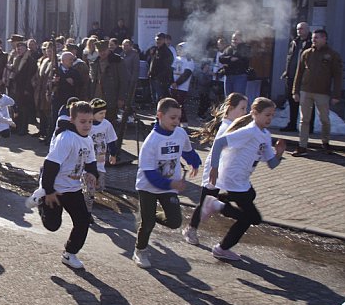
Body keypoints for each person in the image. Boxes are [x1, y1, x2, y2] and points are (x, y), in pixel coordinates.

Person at [202, 97, 286, 260]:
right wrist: (214, 168)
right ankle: (222, 247)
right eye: (267, 115)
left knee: (251, 196)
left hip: (242, 181)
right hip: (232, 179)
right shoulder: (248, 131)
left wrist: (279, 153)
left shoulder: (265, 135)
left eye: (272, 115)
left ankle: (217, 202)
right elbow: (219, 144)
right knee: (251, 218)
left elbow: (272, 164)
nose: (269, 119)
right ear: (255, 113)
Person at [25, 101, 99, 269]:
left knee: (83, 220)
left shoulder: (87, 139)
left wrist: (92, 173)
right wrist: (49, 191)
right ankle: (42, 198)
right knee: (52, 226)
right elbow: (50, 165)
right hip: (55, 188)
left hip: (73, 188)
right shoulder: (66, 138)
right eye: (83, 121)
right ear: (72, 120)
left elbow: (90, 161)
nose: (87, 125)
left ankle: (69, 253)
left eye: (90, 121)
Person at [133, 97, 201, 269]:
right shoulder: (151, 142)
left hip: (169, 186)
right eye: (172, 118)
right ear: (159, 115)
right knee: (147, 224)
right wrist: (171, 185)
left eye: (179, 118)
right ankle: (140, 251)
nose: (176, 121)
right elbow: (150, 174)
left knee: (175, 222)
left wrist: (195, 162)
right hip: (148, 187)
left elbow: (187, 150)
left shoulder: (180, 133)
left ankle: (148, 215)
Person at [182, 93, 248, 246]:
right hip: (214, 170)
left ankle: (218, 208)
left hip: (223, 171)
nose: (245, 112)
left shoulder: (233, 125)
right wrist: (214, 169)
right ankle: (191, 229)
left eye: (246, 108)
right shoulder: (226, 127)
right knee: (206, 200)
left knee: (213, 198)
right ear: (231, 108)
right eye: (242, 108)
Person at [292, 29, 342, 157]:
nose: (314, 40)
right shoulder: (306, 53)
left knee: (324, 119)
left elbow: (337, 76)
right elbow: (299, 72)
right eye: (313, 38)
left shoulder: (332, 55)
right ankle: (302, 146)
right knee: (304, 120)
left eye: (317, 38)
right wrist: (295, 91)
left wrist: (336, 94)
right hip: (305, 91)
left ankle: (325, 143)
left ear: (324, 39)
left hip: (322, 93)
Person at [86, 99, 118, 213]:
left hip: (100, 160)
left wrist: (113, 154)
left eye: (104, 113)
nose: (103, 116)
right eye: (100, 113)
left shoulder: (106, 124)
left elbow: (111, 140)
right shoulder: (87, 124)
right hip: (88, 162)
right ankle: (87, 209)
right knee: (90, 185)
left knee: (100, 186)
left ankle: (88, 195)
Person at [281, 22, 314, 132]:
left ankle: (308, 127)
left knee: (307, 103)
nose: (299, 31)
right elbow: (290, 58)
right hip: (291, 76)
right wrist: (287, 71)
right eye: (298, 29)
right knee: (292, 101)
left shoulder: (311, 42)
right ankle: (292, 124)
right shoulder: (294, 42)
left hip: (304, 77)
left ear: (307, 30)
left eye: (301, 29)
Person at [90, 40, 129, 128]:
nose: (102, 53)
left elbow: (124, 81)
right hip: (97, 96)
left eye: (104, 50)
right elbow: (92, 81)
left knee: (110, 123)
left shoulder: (117, 61)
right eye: (100, 51)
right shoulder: (95, 62)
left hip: (112, 97)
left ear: (108, 49)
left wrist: (121, 98)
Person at [8, 40, 37, 135]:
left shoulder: (29, 60)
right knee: (17, 108)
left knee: (24, 109)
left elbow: (30, 75)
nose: (19, 50)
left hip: (25, 88)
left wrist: (27, 89)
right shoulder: (17, 59)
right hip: (16, 87)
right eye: (18, 48)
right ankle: (17, 126)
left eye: (21, 48)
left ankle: (23, 128)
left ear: (25, 49)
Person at [35, 42, 56, 142]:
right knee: (42, 111)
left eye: (51, 51)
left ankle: (48, 134)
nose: (48, 53)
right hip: (42, 89)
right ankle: (42, 131)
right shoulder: (45, 61)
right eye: (47, 51)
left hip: (49, 90)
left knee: (48, 113)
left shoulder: (55, 63)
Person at [219, 31, 250, 96]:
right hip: (228, 76)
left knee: (238, 98)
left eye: (235, 39)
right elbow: (221, 58)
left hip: (239, 76)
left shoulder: (245, 48)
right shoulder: (228, 49)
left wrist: (227, 62)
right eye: (232, 39)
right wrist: (230, 59)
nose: (233, 41)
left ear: (241, 40)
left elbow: (239, 59)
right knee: (228, 99)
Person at [170, 42, 195, 128]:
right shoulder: (176, 59)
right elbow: (171, 70)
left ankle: (184, 123)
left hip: (182, 87)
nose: (179, 51)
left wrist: (177, 83)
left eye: (181, 49)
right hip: (172, 86)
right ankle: (175, 121)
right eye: (178, 49)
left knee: (179, 105)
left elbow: (186, 74)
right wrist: (171, 81)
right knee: (173, 104)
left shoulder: (189, 60)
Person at [147, 33, 174, 104]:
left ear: (164, 40)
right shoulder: (155, 49)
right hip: (152, 78)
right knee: (154, 99)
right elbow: (150, 61)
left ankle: (161, 114)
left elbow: (167, 68)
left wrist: (159, 77)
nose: (157, 41)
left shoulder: (167, 52)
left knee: (161, 99)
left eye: (159, 40)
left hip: (161, 80)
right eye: (156, 40)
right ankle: (157, 113)